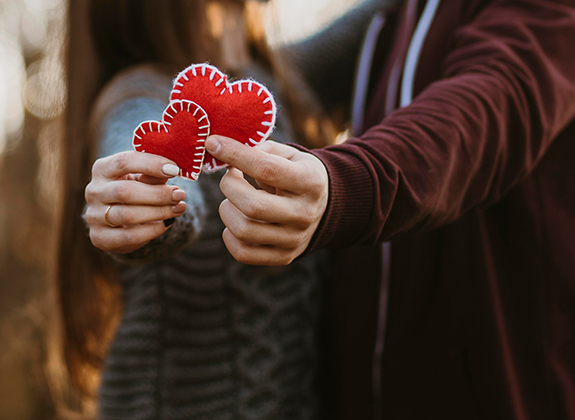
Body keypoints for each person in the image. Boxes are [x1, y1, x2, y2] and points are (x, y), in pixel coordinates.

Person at [202, 0, 575, 419]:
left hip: (501, 394)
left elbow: (480, 114)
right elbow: (268, 84)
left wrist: (342, 185)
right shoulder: (390, 16)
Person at [56, 0, 353, 418]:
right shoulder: (138, 93)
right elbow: (149, 159)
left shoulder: (280, 80)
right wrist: (151, 203)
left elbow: (378, 16)